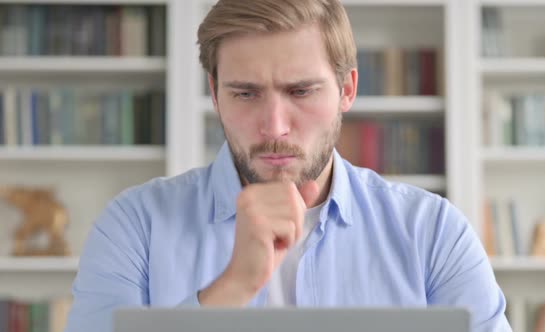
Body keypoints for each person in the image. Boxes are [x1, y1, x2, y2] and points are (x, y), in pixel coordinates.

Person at [65, 0, 511, 331]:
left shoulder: (433, 232)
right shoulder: (134, 227)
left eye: (300, 91)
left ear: (347, 90)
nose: (274, 126)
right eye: (245, 93)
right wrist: (233, 287)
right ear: (215, 94)